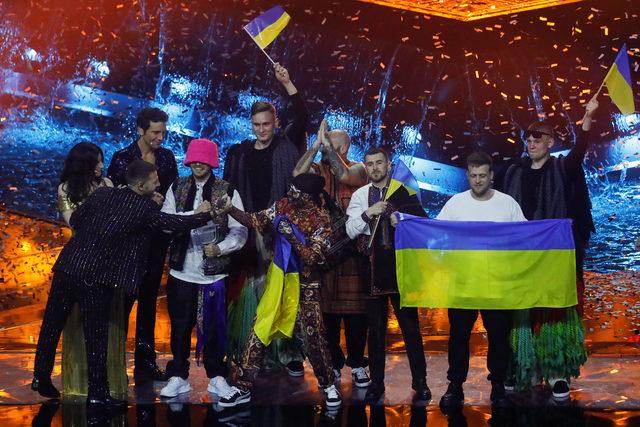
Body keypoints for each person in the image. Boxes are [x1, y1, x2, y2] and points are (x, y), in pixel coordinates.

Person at [32, 160, 212, 409]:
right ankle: (98, 392)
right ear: (140, 185)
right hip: (96, 276)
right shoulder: (144, 207)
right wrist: (204, 215)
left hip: (68, 266)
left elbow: (78, 219)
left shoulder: (103, 193)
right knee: (96, 334)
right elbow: (172, 224)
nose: (159, 183)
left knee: (52, 324)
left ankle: (40, 376)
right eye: (154, 181)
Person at [498, 95, 599, 400]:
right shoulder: (513, 172)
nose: (531, 142)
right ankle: (524, 366)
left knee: (555, 310)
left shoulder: (563, 168)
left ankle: (556, 372)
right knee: (522, 311)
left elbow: (579, 152)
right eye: (528, 138)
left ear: (550, 143)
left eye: (537, 138)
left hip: (555, 255)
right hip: (522, 255)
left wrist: (587, 119)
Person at [215, 173, 341, 409]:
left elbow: (312, 258)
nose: (290, 193)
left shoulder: (322, 221)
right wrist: (230, 209)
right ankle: (243, 387)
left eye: (296, 191)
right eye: (291, 188)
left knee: (314, 338)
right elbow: (255, 220)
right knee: (259, 328)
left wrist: (291, 235)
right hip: (279, 282)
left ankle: (328, 385)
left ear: (308, 197)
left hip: (306, 286)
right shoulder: (283, 205)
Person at [223, 63, 308, 376]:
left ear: (276, 123)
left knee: (284, 291)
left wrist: (287, 82)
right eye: (257, 124)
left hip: (281, 228)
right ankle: (252, 351)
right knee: (254, 290)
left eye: (266, 124)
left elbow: (303, 115)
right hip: (249, 228)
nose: (261, 129)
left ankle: (289, 352)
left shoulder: (287, 145)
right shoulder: (241, 152)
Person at [435, 151, 526, 408]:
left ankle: (498, 384)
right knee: (458, 337)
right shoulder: (455, 204)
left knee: (499, 337)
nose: (478, 180)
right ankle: (455, 386)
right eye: (473, 176)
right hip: (462, 283)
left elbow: (524, 237)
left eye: (482, 175)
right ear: (467, 176)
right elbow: (437, 235)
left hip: (496, 283)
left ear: (491, 176)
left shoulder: (507, 204)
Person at [159, 139, 247, 398]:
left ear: (211, 161)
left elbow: (240, 229)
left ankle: (217, 376)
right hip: (182, 270)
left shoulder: (227, 189)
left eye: (203, 159)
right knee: (180, 325)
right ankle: (178, 375)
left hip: (214, 273)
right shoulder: (177, 186)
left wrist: (221, 249)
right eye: (194, 159)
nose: (198, 164)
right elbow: (166, 222)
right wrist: (196, 214)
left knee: (214, 328)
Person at [345, 147, 430, 403]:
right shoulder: (360, 195)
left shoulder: (404, 192)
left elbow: (422, 223)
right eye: (370, 164)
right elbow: (350, 230)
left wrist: (402, 220)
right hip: (372, 272)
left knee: (411, 330)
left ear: (388, 164)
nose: (374, 168)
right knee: (376, 332)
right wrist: (368, 213)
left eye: (379, 163)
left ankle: (421, 382)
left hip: (401, 271)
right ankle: (376, 384)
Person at [293, 120, 370, 388]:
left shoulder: (359, 168)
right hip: (325, 254)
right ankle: (334, 364)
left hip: (352, 255)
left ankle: (358, 364)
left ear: (344, 148)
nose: (327, 151)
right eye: (325, 146)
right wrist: (315, 146)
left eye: (331, 146)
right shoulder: (318, 169)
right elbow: (297, 174)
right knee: (327, 317)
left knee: (357, 316)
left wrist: (328, 149)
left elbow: (345, 176)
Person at [107, 108, 178, 381]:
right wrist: (146, 202)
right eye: (155, 132)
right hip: (128, 242)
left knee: (149, 303)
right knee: (122, 305)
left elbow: (173, 194)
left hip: (156, 240)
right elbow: (114, 199)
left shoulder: (167, 157)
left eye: (163, 132)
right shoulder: (122, 158)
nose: (161, 137)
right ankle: (112, 365)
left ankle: (145, 364)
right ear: (140, 130)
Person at [56, 142, 128, 398]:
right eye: (96, 161)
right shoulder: (66, 189)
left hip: (109, 262)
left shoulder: (107, 183)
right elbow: (76, 225)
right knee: (83, 324)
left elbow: (118, 221)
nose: (101, 166)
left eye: (101, 160)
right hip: (82, 265)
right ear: (84, 164)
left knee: (108, 325)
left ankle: (110, 382)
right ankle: (81, 383)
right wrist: (102, 201)